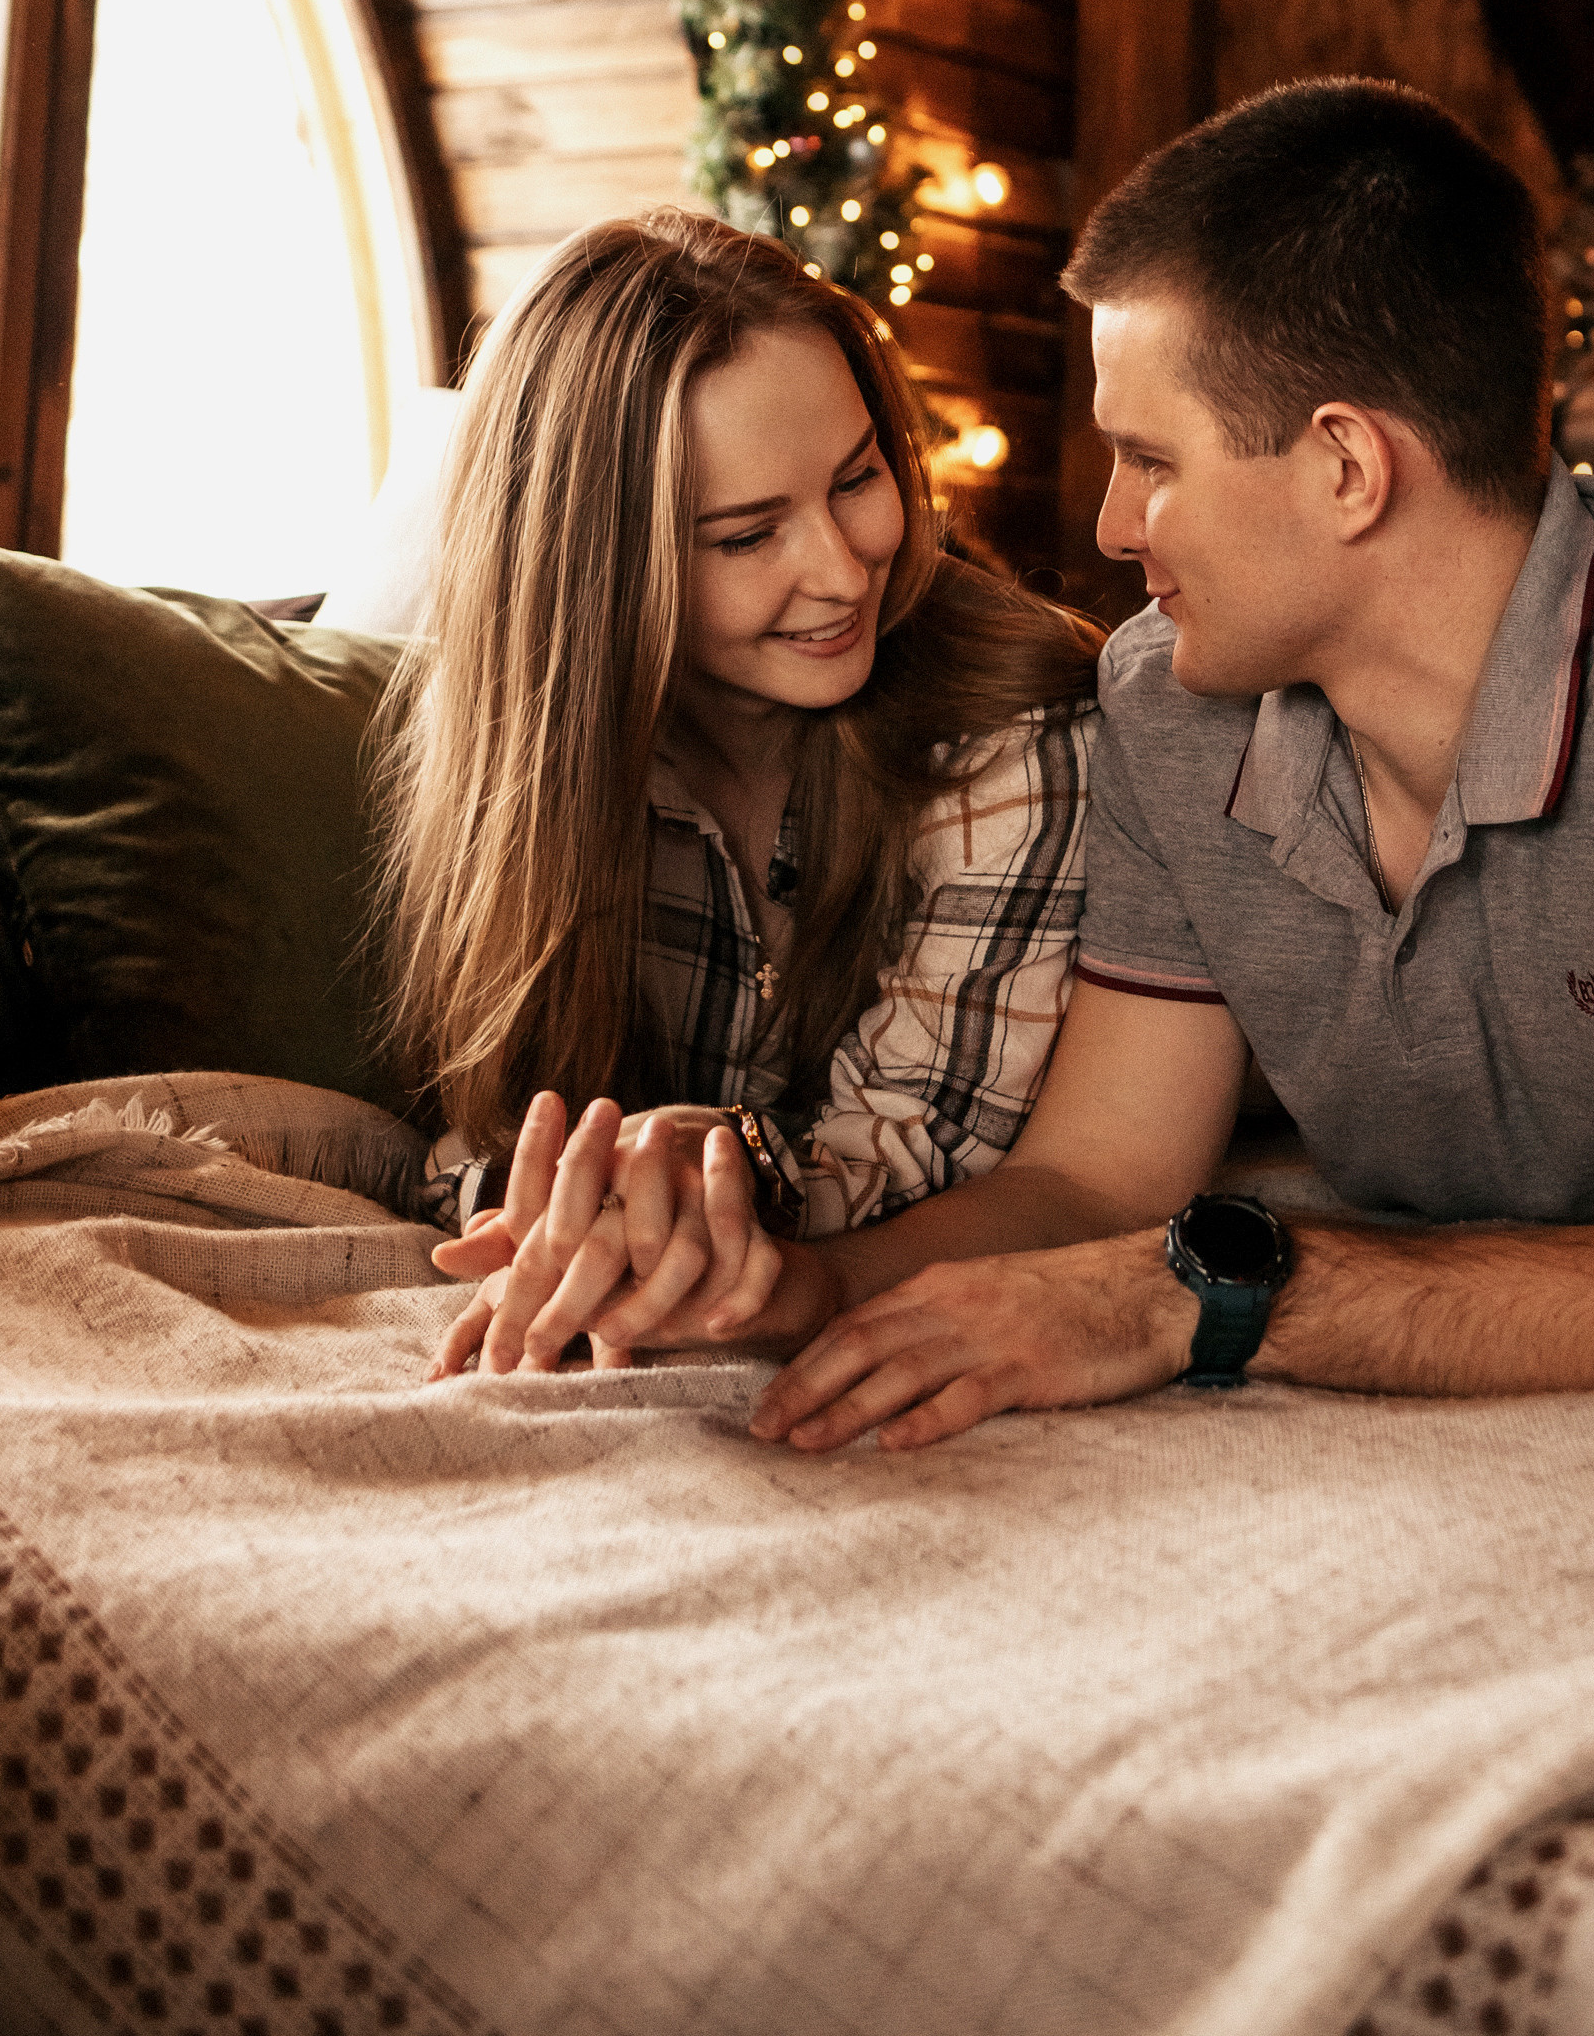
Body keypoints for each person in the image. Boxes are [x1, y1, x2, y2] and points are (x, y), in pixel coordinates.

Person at [464, 91, 1594, 1442]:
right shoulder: (1170, 706)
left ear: (1347, 465)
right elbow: (1099, 1178)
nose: (1105, 527)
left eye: (1152, 460)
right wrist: (806, 1286)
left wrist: (1208, 1293)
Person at [379, 208, 1098, 1380]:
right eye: (748, 534)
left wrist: (715, 1179)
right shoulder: (522, 747)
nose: (842, 564)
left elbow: (927, 1152)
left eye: (858, 478)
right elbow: (485, 1118)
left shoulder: (1017, 726)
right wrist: (579, 1210)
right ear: (598, 576)